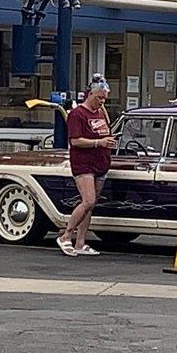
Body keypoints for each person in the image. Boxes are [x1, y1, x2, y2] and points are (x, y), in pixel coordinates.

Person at [56, 73, 116, 256]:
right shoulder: (77, 114)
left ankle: (81, 242)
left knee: (90, 204)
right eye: (99, 98)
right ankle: (66, 235)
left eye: (104, 99)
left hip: (101, 163)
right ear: (89, 94)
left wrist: (108, 142)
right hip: (84, 164)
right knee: (88, 200)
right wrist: (99, 143)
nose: (102, 102)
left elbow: (105, 132)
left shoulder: (100, 112)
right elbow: (75, 141)